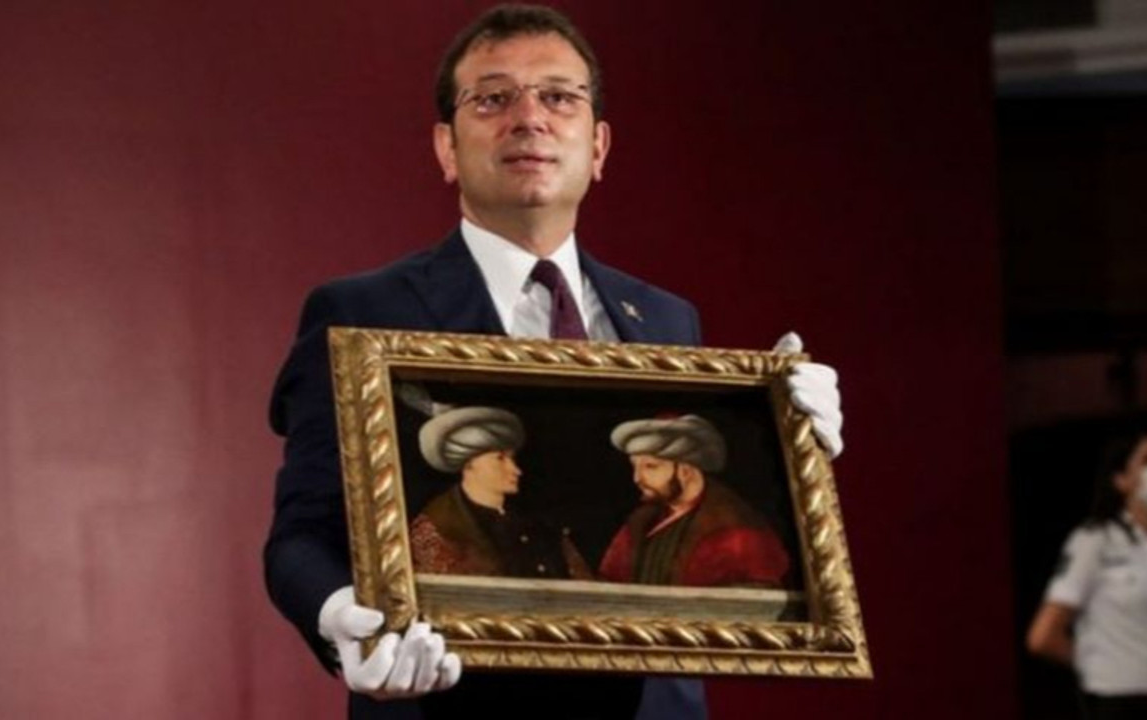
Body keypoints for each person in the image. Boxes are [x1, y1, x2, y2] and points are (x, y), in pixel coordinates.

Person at [263, 4, 845, 719]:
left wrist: (781, 447)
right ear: (446, 148)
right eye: (493, 98)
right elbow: (301, 535)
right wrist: (344, 622)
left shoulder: (667, 320)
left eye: (559, 97)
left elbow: (693, 519)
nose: (529, 118)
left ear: (598, 146)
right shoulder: (360, 314)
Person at [1026, 431, 1147, 719]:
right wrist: (1103, 667)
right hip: (1119, 699)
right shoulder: (1094, 541)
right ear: (1121, 480)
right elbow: (1044, 636)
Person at [598, 414, 791, 588]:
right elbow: (610, 584)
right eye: (635, 467)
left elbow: (756, 596)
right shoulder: (641, 522)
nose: (637, 478)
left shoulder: (737, 530)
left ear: (685, 471)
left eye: (650, 466)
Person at [410, 405, 593, 580]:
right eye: (500, 459)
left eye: (512, 459)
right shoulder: (436, 527)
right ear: (469, 465)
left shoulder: (536, 522)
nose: (516, 470)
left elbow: (583, 585)